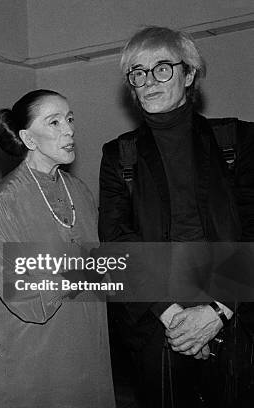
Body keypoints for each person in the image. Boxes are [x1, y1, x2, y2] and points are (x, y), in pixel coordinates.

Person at [99, 26, 254, 407]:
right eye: (137, 72)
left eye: (162, 68)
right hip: (157, 318)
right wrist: (172, 315)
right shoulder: (120, 155)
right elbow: (117, 243)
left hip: (234, 310)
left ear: (188, 75)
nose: (148, 81)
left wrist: (218, 308)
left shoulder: (237, 141)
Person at [0, 90, 115, 408]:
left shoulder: (80, 192)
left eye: (69, 119)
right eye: (54, 122)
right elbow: (29, 302)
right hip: (37, 356)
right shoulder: (5, 201)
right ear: (29, 138)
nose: (69, 130)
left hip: (88, 346)